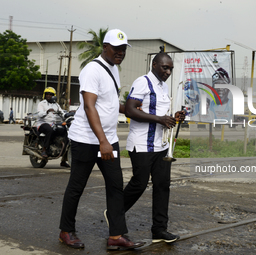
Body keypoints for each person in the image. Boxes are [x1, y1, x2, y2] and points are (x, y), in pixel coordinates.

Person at [59, 29, 143, 251]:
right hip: (86, 139)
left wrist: (129, 109)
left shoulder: (113, 70)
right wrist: (102, 141)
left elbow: (110, 103)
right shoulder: (92, 70)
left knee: (116, 186)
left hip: (108, 139)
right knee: (76, 186)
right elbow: (89, 106)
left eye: (124, 49)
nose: (121, 53)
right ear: (105, 47)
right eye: (117, 48)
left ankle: (116, 236)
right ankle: (66, 231)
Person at [124, 52, 185, 243]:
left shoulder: (163, 87)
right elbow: (130, 109)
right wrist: (159, 119)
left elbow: (161, 112)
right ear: (154, 65)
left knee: (162, 186)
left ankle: (159, 230)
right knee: (139, 184)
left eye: (170, 69)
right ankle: (115, 212)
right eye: (164, 67)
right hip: (142, 144)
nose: (168, 72)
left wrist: (174, 116)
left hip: (160, 145)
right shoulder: (143, 82)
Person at [36, 87, 69, 167]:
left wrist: (68, 114)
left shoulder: (56, 104)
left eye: (51, 94)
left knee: (65, 132)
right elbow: (39, 114)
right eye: (47, 94)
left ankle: (63, 160)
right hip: (42, 123)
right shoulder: (42, 103)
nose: (49, 96)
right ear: (45, 95)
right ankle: (44, 149)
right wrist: (46, 111)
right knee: (49, 130)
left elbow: (62, 112)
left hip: (53, 124)